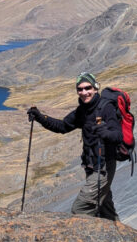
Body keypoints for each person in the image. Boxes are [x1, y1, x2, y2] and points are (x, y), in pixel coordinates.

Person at [27, 72, 123, 221]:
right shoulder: (82, 111)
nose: (84, 93)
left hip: (103, 166)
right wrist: (40, 117)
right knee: (105, 207)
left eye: (87, 88)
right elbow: (63, 126)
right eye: (80, 89)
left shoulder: (106, 108)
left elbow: (118, 136)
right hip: (91, 166)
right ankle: (119, 238)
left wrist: (105, 133)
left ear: (95, 88)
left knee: (80, 209)